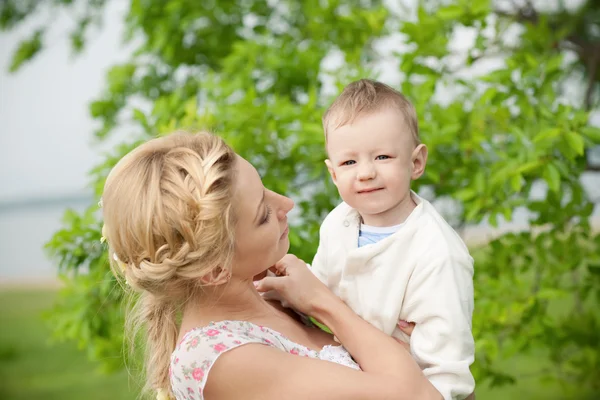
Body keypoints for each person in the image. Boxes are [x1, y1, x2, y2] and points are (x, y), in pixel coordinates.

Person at [100, 131, 442, 400]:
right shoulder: (221, 360)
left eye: (265, 189)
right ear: (215, 270)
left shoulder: (271, 293)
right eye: (263, 214)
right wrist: (324, 304)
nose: (287, 204)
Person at [306, 79, 476, 400]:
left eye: (382, 156)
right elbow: (319, 289)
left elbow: (446, 369)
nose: (366, 172)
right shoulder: (338, 223)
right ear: (333, 174)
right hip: (354, 379)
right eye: (349, 162)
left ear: (415, 162)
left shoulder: (436, 253)